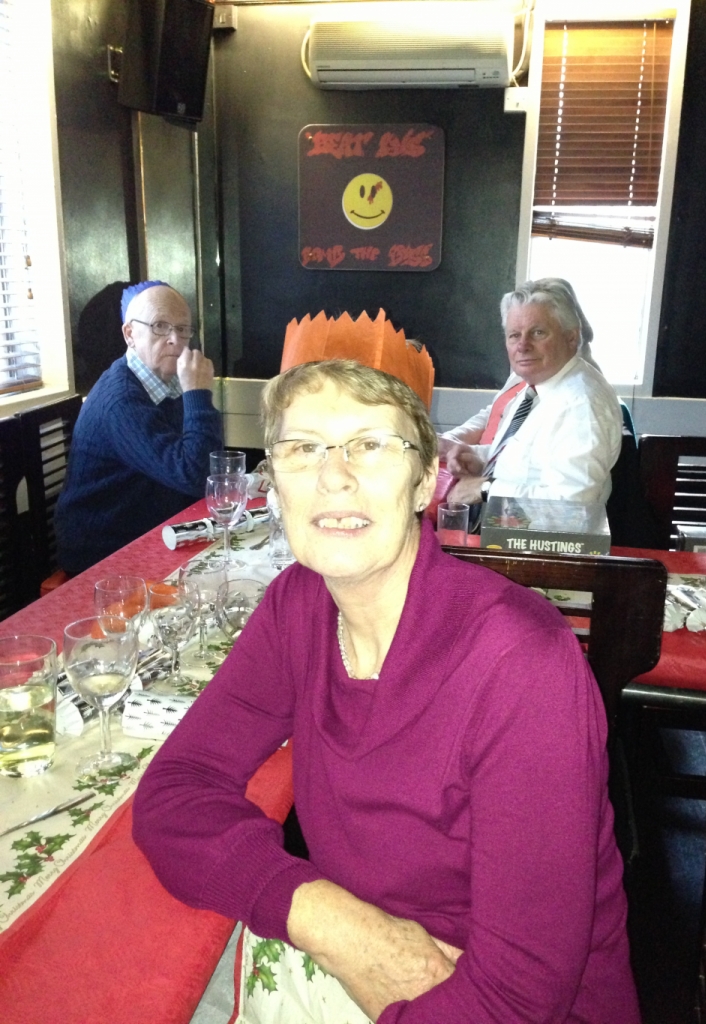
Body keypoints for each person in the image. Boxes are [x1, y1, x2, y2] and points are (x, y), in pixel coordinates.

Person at [133, 359, 640, 1024]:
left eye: (370, 445)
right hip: (362, 966)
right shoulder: (299, 604)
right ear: (274, 483)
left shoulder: (522, 663)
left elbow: (519, 999)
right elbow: (175, 789)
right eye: (303, 448)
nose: (333, 475)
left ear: (425, 481)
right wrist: (334, 923)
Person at [55, 281, 223, 574]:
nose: (175, 339)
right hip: (103, 551)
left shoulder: (169, 380)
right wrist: (198, 394)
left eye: (183, 329)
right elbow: (196, 476)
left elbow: (209, 467)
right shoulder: (121, 400)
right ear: (130, 334)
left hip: (156, 528)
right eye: (160, 326)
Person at [442, 279, 622, 509]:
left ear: (571, 338)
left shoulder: (581, 405)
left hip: (538, 533)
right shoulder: (538, 385)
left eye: (538, 333)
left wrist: (486, 488)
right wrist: (479, 457)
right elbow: (528, 461)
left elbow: (573, 504)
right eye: (514, 335)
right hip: (511, 525)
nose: (523, 345)